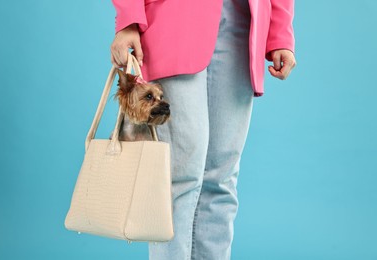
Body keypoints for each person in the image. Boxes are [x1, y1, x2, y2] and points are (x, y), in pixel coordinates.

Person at [110, 0, 296, 259]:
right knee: (179, 176)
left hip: (243, 24)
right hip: (172, 21)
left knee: (222, 178)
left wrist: (280, 34)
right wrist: (129, 19)